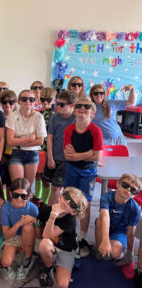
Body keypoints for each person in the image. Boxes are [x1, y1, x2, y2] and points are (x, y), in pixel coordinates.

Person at [63, 96, 103, 257]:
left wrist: (77, 155)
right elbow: (67, 156)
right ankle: (69, 234)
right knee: (68, 201)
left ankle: (83, 238)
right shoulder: (69, 130)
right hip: (71, 169)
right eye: (79, 105)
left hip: (88, 172)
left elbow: (97, 157)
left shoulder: (96, 131)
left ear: (92, 113)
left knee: (85, 204)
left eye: (86, 106)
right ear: (74, 110)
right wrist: (88, 153)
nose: (81, 108)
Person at [38, 187, 88, 287]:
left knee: (62, 285)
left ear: (74, 212)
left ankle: (61, 262)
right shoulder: (47, 210)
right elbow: (45, 235)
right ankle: (48, 268)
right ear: (60, 196)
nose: (67, 201)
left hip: (66, 250)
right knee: (44, 244)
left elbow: (46, 235)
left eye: (73, 204)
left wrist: (53, 215)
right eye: (67, 196)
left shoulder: (70, 220)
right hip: (51, 245)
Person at [6, 89, 47, 189]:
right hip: (16, 154)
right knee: (17, 187)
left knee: (27, 188)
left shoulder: (39, 116)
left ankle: (25, 204)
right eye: (24, 99)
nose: (27, 101)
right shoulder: (13, 115)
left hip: (32, 154)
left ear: (35, 102)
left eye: (31, 99)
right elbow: (10, 141)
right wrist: (29, 139)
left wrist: (19, 142)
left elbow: (40, 141)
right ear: (19, 101)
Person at [95, 174, 141, 262]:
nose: (128, 190)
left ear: (135, 195)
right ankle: (100, 245)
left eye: (133, 190)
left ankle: (118, 247)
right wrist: (105, 240)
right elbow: (104, 217)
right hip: (105, 226)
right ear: (117, 184)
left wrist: (129, 253)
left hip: (121, 232)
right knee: (100, 220)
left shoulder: (134, 208)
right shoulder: (106, 197)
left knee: (115, 253)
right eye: (125, 185)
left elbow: (131, 233)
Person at [43, 90, 77, 206]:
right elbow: (50, 138)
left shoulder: (76, 119)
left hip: (66, 160)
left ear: (72, 105)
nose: (58, 106)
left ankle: (49, 216)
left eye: (62, 104)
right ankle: (50, 212)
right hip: (54, 157)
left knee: (56, 189)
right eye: (58, 103)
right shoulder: (54, 117)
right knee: (51, 186)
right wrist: (50, 157)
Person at [0, 178, 39, 280]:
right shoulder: (5, 208)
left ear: (29, 196)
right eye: (15, 195)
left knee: (28, 226)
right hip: (13, 236)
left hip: (28, 235)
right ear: (10, 193)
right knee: (5, 262)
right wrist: (18, 224)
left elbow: (39, 235)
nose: (19, 199)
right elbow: (6, 235)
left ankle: (27, 259)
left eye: (23, 196)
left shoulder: (33, 209)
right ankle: (19, 252)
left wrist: (35, 221)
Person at [32, 87, 57, 206]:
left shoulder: (54, 116)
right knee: (36, 175)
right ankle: (37, 197)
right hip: (36, 149)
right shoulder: (38, 113)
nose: (46, 102)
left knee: (45, 179)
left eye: (48, 99)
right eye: (43, 99)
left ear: (53, 100)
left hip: (46, 150)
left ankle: (45, 202)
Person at [0, 89, 17, 199]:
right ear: (1, 104)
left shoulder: (19, 118)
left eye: (11, 102)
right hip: (0, 154)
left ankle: (12, 206)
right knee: (0, 184)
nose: (8, 105)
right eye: (5, 102)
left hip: (14, 155)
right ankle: (2, 206)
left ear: (15, 103)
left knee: (12, 184)